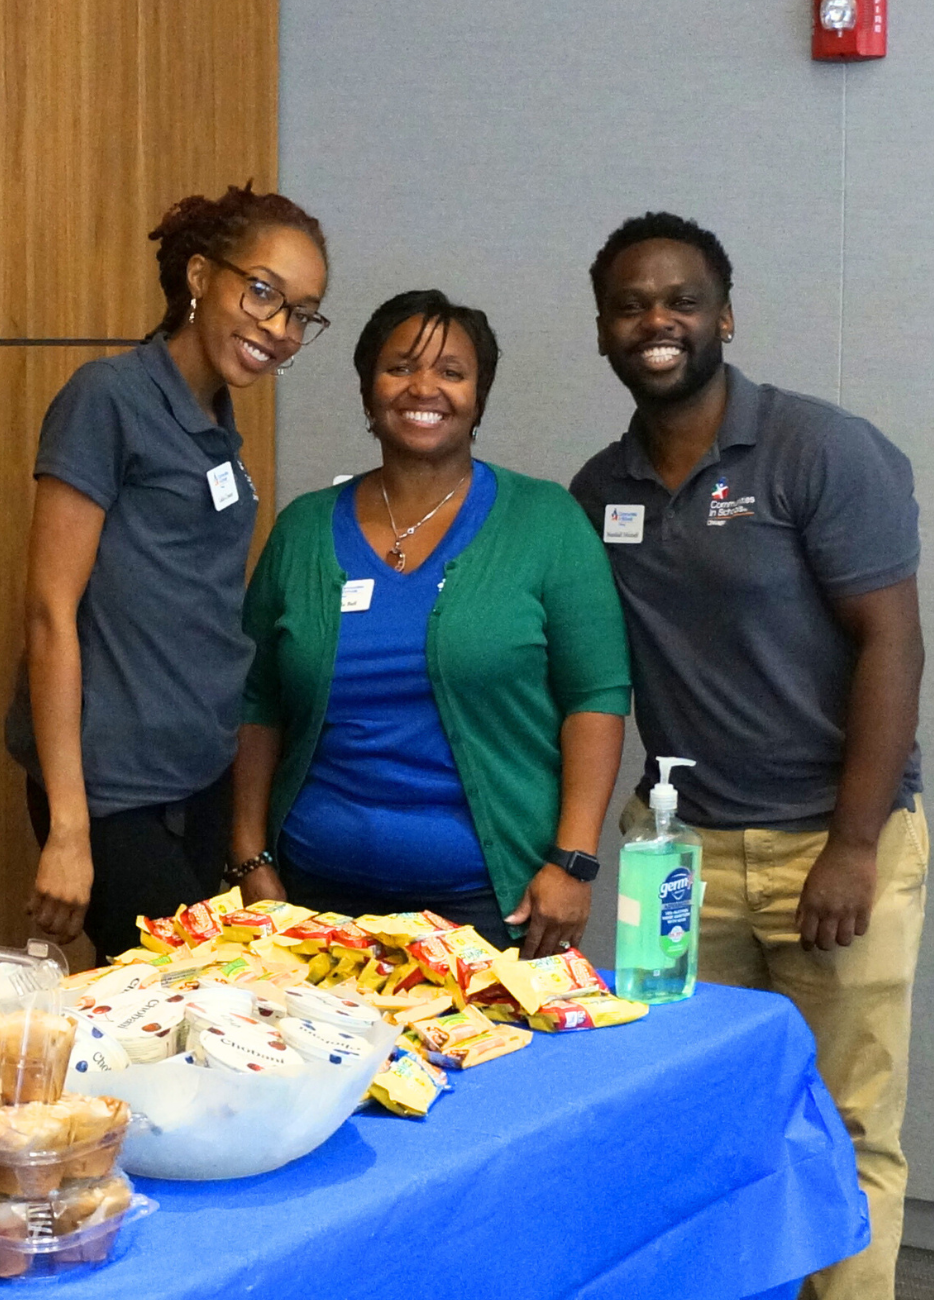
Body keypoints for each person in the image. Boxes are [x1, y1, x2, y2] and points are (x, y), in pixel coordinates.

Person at [570, 212, 926, 1300]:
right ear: (604, 329)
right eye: (631, 305)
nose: (657, 321)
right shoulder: (599, 490)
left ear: (723, 317)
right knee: (692, 1109)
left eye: (681, 301)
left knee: (843, 1121)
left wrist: (853, 845)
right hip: (680, 859)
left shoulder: (819, 449)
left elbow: (893, 643)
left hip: (833, 842)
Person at [230, 290, 631, 956]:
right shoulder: (303, 529)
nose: (424, 387)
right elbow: (257, 701)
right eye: (400, 367)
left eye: (452, 371)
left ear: (479, 395)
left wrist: (572, 861)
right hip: (310, 904)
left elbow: (597, 697)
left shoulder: (545, 522)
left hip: (489, 907)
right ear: (368, 390)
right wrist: (249, 856)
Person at [3, 183, 330, 960]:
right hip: (114, 795)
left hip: (200, 780)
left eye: (300, 313)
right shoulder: (110, 398)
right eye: (262, 292)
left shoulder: (217, 420)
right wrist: (70, 829)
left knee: (189, 1012)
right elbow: (50, 613)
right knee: (187, 996)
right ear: (199, 275)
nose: (279, 329)